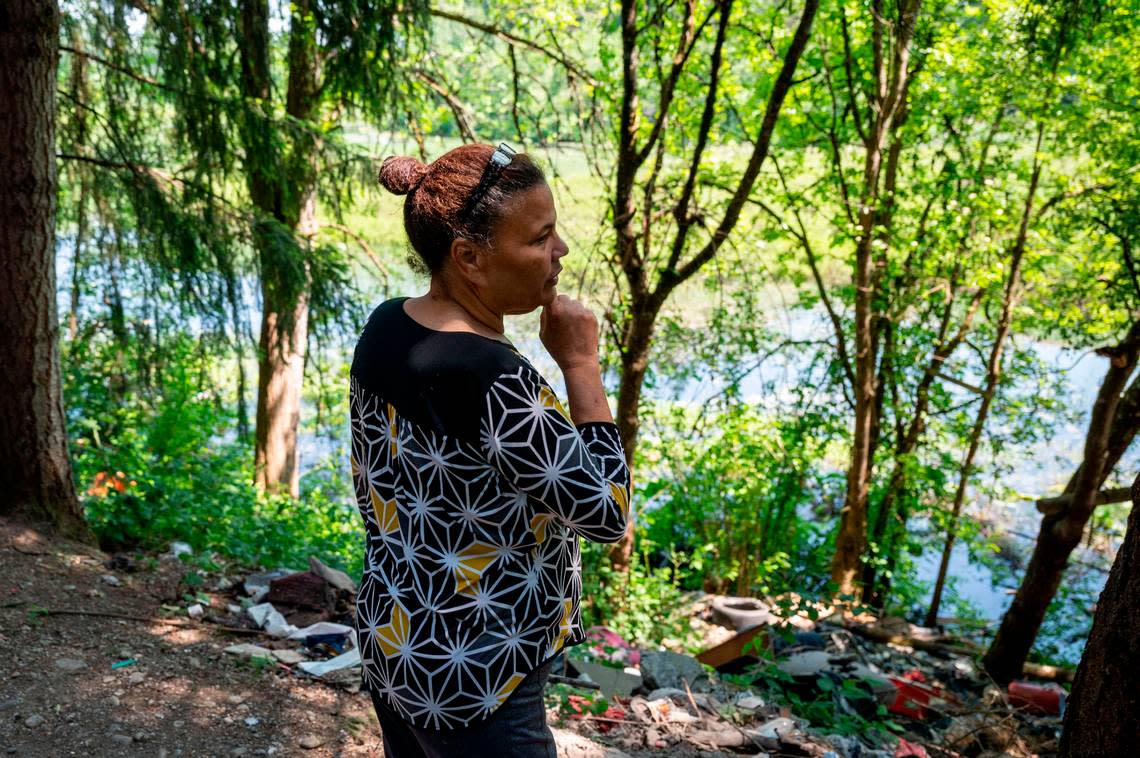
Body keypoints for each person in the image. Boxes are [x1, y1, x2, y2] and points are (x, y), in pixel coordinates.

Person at [350, 142, 632, 757]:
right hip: (480, 675)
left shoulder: (385, 326)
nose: (560, 253)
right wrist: (582, 366)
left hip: (395, 640)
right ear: (470, 258)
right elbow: (607, 512)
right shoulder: (493, 378)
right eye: (540, 239)